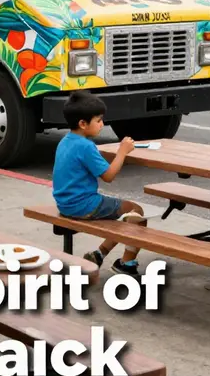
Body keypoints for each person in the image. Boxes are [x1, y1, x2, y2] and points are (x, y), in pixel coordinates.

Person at [52, 91, 145, 277]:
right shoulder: (86, 146)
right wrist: (123, 151)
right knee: (136, 214)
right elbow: (109, 176)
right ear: (83, 124)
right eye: (99, 120)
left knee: (126, 217)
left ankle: (99, 254)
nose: (102, 124)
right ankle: (126, 264)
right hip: (83, 205)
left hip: (65, 203)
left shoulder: (65, 141)